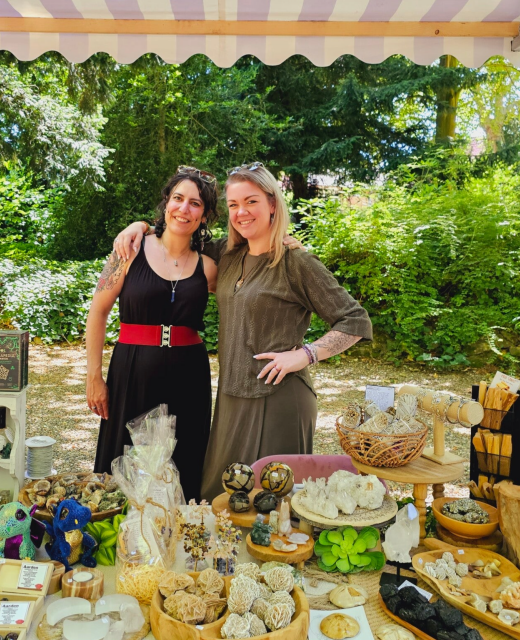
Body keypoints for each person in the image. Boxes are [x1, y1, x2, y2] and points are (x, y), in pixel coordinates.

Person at [114, 164, 372, 502]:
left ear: (272, 204)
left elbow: (354, 320)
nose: (241, 212)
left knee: (271, 504)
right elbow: (178, 230)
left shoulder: (296, 262)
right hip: (231, 397)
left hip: (279, 397)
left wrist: (304, 355)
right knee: (215, 498)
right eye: (234, 204)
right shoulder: (228, 255)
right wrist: (141, 226)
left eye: (251, 201)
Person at [86, 167, 218, 501]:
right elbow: (98, 312)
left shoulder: (209, 267)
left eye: (195, 204)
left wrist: (285, 241)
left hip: (189, 378)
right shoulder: (129, 250)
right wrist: (94, 377)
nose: (184, 209)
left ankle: (179, 532)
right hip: (132, 372)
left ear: (204, 216)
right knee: (124, 463)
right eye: (178, 198)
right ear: (166, 202)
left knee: (183, 464)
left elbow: (254, 265)